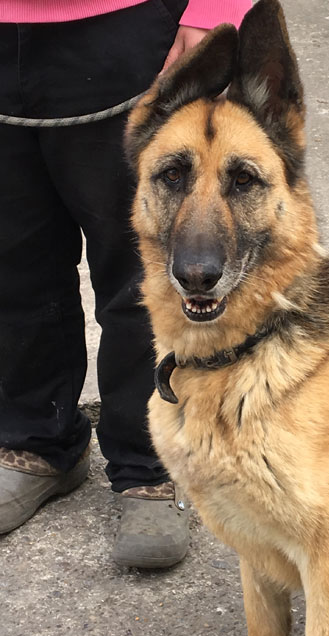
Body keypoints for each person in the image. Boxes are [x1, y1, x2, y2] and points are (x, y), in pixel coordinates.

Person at [0, 0, 252, 568]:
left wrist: (217, 8)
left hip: (123, 33)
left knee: (142, 275)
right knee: (15, 265)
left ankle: (148, 466)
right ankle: (37, 441)